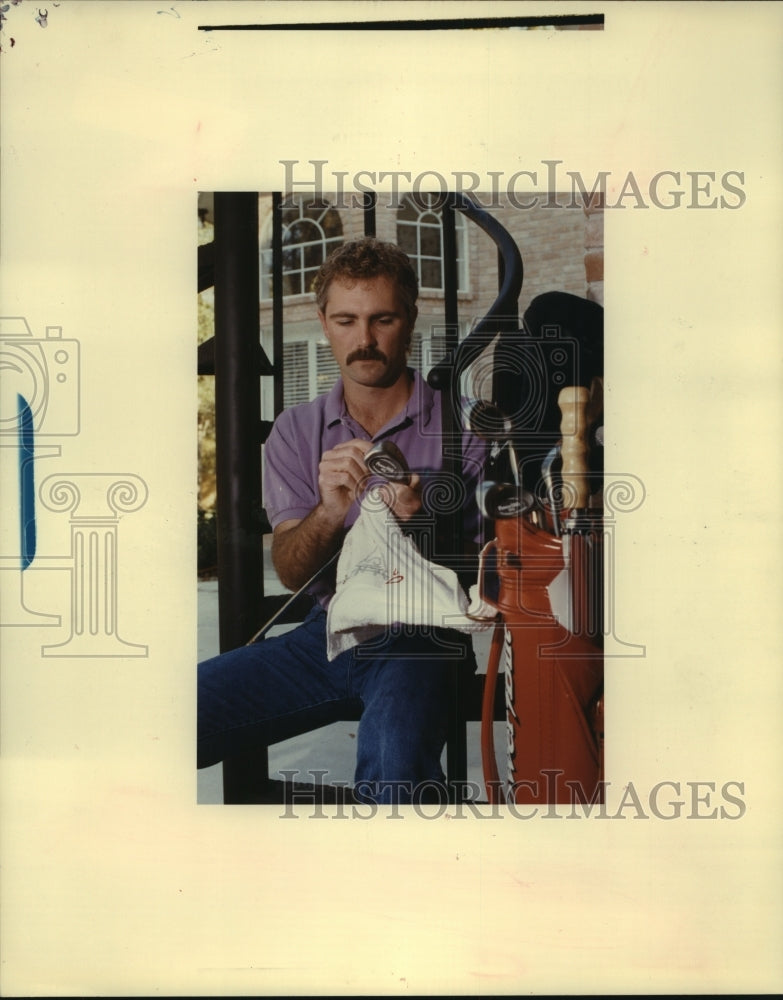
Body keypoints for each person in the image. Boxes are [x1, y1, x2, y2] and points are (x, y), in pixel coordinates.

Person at [197, 237, 487, 804]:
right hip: (325, 635)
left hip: (422, 640)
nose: (365, 340)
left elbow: (485, 579)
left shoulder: (463, 432)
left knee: (396, 763)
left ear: (409, 320)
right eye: (347, 320)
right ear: (325, 323)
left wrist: (423, 519)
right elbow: (289, 571)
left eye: (382, 319)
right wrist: (330, 511)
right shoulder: (296, 430)